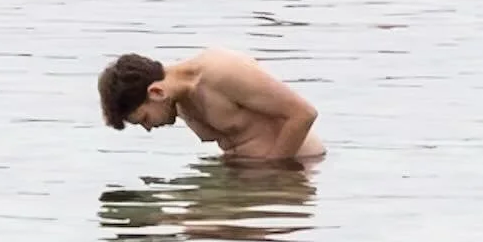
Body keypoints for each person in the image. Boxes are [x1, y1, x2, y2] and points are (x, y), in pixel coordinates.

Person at [97, 49, 325, 162]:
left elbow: (303, 114)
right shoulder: (177, 100)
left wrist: (274, 174)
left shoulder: (221, 73)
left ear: (156, 93)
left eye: (144, 119)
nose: (148, 128)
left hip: (292, 171)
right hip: (246, 179)